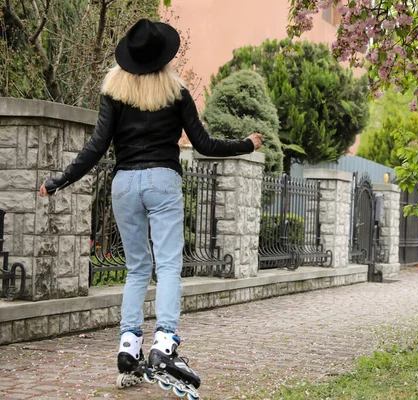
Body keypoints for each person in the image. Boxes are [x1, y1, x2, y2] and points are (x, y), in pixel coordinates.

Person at [39, 18, 262, 398]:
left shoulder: (114, 92)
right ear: (163, 56)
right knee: (169, 264)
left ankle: (128, 347)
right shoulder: (177, 92)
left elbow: (95, 148)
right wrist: (247, 144)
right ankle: (164, 342)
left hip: (125, 184)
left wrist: (59, 180)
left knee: (137, 268)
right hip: (162, 181)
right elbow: (204, 144)